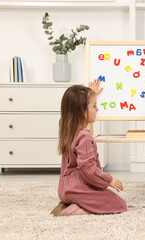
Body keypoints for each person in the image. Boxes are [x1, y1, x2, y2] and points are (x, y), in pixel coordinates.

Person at [51, 80, 126, 216]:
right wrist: (109, 180)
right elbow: (89, 171)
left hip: (64, 189)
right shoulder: (85, 138)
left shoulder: (67, 130)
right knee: (119, 204)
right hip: (78, 188)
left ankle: (73, 202)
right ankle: (78, 209)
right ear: (83, 111)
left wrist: (91, 94)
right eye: (94, 106)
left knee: (106, 198)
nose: (97, 109)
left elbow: (75, 109)